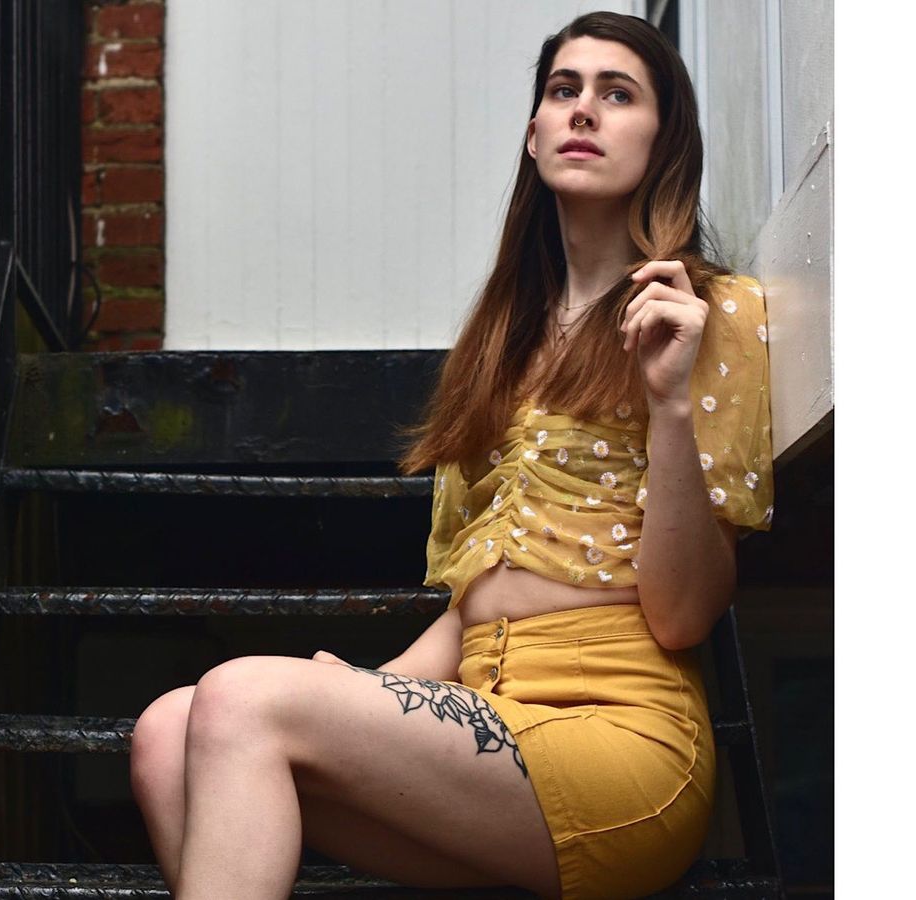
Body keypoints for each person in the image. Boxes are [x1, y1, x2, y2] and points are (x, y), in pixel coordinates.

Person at [128, 10, 774, 900]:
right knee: (168, 732)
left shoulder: (707, 314)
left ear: (665, 142)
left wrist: (667, 403)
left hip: (623, 743)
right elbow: (479, 600)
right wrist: (367, 692)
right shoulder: (502, 342)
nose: (584, 109)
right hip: (486, 716)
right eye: (564, 89)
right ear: (534, 134)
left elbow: (684, 616)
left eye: (618, 94)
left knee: (242, 697)